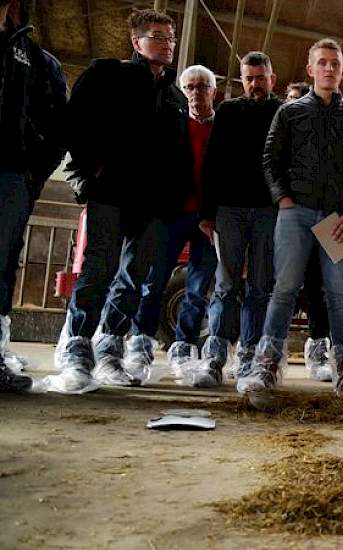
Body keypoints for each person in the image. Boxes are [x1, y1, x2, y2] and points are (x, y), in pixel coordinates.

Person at [53, 9, 194, 391]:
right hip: (110, 194)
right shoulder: (106, 75)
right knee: (99, 268)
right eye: (158, 36)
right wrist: (85, 176)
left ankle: (110, 348)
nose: (167, 44)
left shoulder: (174, 97)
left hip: (152, 206)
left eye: (170, 37)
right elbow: (73, 126)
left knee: (134, 280)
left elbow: (180, 154)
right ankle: (77, 349)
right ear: (136, 41)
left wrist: (173, 200)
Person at [254, 37, 343, 395]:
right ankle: (266, 367)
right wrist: (283, 199)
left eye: (334, 64)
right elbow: (270, 159)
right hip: (296, 213)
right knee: (285, 289)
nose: (328, 68)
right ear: (310, 70)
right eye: (322, 63)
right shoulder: (290, 112)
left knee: (340, 294)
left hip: (338, 219)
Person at [106, 65, 218, 386]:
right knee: (153, 284)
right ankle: (140, 344)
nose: (196, 92)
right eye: (190, 87)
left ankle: (184, 349)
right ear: (183, 92)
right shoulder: (173, 123)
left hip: (208, 220)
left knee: (197, 290)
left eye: (202, 86)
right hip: (171, 216)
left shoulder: (221, 128)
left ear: (213, 91)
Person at [195, 51, 282, 385]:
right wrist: (207, 213)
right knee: (225, 284)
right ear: (241, 80)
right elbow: (212, 161)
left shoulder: (281, 112)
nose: (255, 84)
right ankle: (214, 359)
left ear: (271, 79)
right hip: (228, 210)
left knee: (261, 285)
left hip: (267, 210)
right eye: (249, 78)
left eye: (261, 78)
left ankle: (248, 356)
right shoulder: (228, 111)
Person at [0, 0, 67, 392]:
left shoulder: (36, 58)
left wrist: (31, 173)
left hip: (10, 173)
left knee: (3, 263)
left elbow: (58, 124)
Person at [284, 80, 334, 381]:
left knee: (322, 289)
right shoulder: (280, 133)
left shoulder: (329, 134)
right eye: (290, 99)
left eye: (301, 99)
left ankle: (319, 353)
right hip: (288, 220)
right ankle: (269, 352)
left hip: (324, 219)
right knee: (282, 289)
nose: (296, 105)